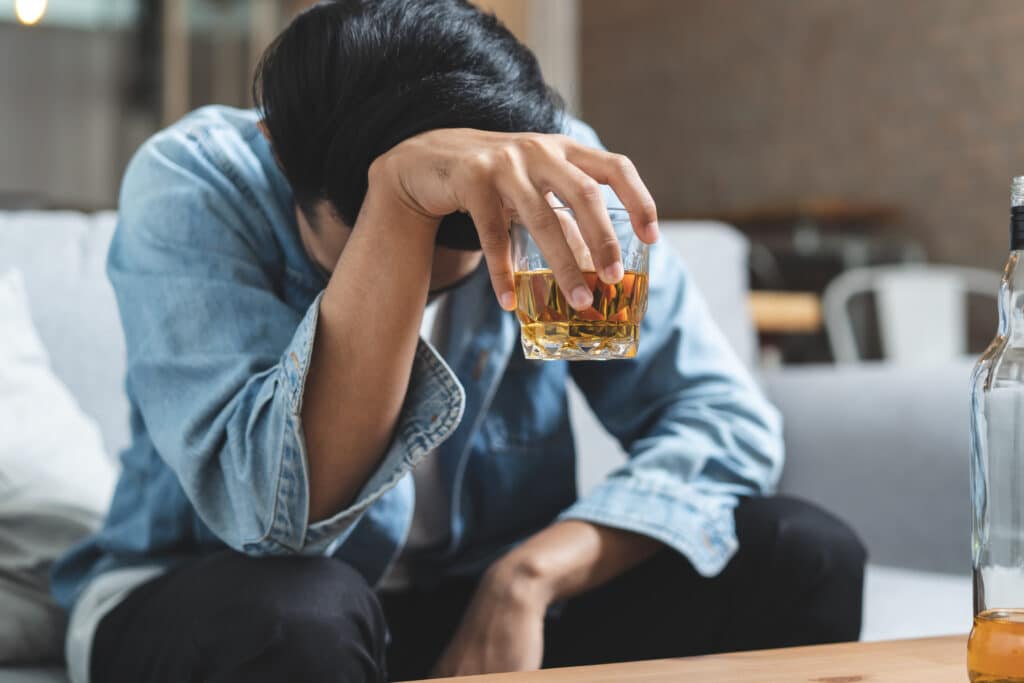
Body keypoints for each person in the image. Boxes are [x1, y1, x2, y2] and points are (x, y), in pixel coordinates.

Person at [51, 1, 866, 681]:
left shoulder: (544, 171)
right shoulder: (200, 179)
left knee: (804, 550)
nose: (453, 278)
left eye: (471, 249)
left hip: (479, 591)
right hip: (219, 592)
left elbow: (725, 420)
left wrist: (530, 576)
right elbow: (279, 522)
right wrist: (397, 203)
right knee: (305, 613)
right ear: (277, 152)